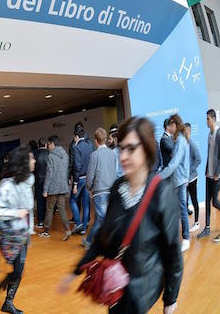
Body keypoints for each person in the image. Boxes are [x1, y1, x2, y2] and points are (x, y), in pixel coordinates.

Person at [60, 116, 182, 314]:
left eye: (131, 149)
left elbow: (173, 254)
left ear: (147, 150)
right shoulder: (118, 188)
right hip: (115, 287)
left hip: (142, 291)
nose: (123, 156)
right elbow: (102, 237)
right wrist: (76, 271)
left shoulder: (162, 193)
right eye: (121, 148)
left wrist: (170, 300)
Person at [0, 146, 35, 314]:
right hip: (10, 236)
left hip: (23, 235)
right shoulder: (7, 185)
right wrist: (16, 213)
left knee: (18, 271)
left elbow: (29, 211)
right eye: (31, 159)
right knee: (17, 271)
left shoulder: (28, 182)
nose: (34, 161)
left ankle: (7, 301)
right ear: (23, 163)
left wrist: (30, 231)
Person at [157, 114, 191, 252]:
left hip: (179, 180)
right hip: (179, 180)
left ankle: (186, 238)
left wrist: (158, 177)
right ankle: (179, 237)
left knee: (182, 210)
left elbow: (174, 164)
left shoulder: (180, 140)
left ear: (175, 125)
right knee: (178, 209)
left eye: (171, 125)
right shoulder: (180, 139)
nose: (169, 127)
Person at [83, 128, 117, 250]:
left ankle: (111, 244)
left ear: (96, 141)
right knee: (99, 219)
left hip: (100, 191)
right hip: (111, 189)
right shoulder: (112, 154)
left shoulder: (94, 155)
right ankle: (87, 241)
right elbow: (115, 171)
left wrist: (89, 188)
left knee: (103, 220)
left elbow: (90, 175)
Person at [40, 135, 72, 240]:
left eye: (49, 144)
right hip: (63, 186)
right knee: (62, 209)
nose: (48, 146)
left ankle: (46, 231)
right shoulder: (65, 155)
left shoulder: (51, 157)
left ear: (53, 144)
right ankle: (67, 230)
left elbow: (49, 174)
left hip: (53, 188)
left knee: (49, 209)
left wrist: (45, 189)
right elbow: (67, 170)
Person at [198, 109, 220, 240]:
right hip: (209, 175)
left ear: (213, 119)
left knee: (215, 202)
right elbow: (209, 155)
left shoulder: (218, 133)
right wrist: (207, 170)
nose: (206, 121)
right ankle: (206, 228)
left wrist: (217, 173)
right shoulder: (209, 134)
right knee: (207, 202)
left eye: (207, 119)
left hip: (217, 176)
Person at [70, 124, 94, 235]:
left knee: (72, 200)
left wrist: (74, 183)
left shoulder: (76, 147)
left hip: (79, 179)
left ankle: (78, 223)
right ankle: (84, 229)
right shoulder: (90, 145)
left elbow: (77, 167)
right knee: (86, 204)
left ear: (76, 136)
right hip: (88, 177)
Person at [184, 123, 202, 233]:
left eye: (186, 132)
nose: (184, 134)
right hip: (185, 180)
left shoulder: (192, 144)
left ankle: (196, 223)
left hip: (192, 179)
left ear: (189, 132)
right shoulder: (183, 144)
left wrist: (189, 171)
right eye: (183, 132)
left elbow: (198, 159)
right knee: (184, 201)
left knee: (194, 200)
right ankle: (186, 224)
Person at [33, 138, 49, 228]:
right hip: (47, 181)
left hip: (38, 180)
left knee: (39, 201)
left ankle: (40, 222)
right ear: (46, 144)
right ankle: (47, 221)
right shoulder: (49, 154)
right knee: (47, 202)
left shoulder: (35, 154)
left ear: (38, 145)